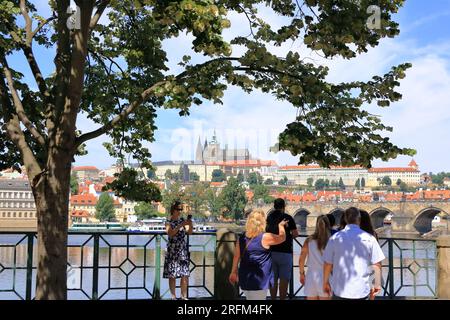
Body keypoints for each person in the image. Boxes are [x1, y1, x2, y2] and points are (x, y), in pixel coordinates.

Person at [323, 207, 385, 300]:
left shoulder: (335, 238)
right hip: (361, 291)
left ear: (345, 219)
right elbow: (377, 264)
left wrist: (325, 282)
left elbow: (328, 264)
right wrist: (377, 284)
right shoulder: (369, 238)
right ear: (359, 219)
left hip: (340, 290)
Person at [229, 210, 288, 300]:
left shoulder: (242, 238)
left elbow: (236, 256)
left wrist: (233, 272)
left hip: (245, 276)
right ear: (263, 222)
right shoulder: (265, 237)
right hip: (260, 279)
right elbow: (282, 238)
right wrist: (280, 226)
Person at [265, 198, 299, 300]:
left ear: (274, 206)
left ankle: (273, 298)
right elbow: (295, 234)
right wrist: (287, 236)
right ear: (284, 206)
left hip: (271, 252)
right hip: (285, 252)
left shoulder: (269, 217)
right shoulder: (287, 217)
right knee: (284, 279)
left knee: (273, 279)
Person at [163, 201, 193, 300]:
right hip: (172, 250)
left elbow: (189, 232)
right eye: (178, 209)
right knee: (172, 275)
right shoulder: (168, 221)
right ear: (173, 210)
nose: (180, 211)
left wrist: (190, 224)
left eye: (181, 209)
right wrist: (180, 225)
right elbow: (170, 233)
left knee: (184, 274)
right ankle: (173, 296)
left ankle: (183, 296)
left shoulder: (183, 220)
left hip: (182, 250)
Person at [299, 215, 331, 300]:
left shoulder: (309, 240)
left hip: (311, 276)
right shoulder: (331, 241)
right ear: (329, 225)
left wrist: (302, 273)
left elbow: (302, 258)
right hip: (326, 277)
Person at [359, 209, 381, 300]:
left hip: (359, 268)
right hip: (371, 267)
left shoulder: (356, 235)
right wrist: (378, 281)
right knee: (371, 293)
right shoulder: (373, 234)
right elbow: (377, 257)